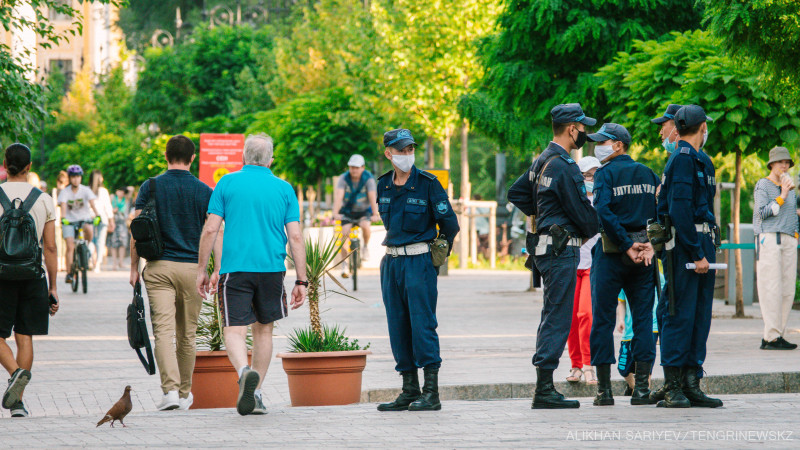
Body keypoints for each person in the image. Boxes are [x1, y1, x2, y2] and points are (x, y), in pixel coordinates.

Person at [196, 133, 307, 416]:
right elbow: (295, 237)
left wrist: (202, 270)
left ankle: (244, 372)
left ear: (243, 157)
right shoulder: (284, 188)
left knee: (234, 329)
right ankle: (255, 394)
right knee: (264, 330)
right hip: (272, 270)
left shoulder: (226, 183)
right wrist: (301, 280)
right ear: (271, 160)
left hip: (235, 270)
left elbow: (211, 229)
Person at [507, 103, 599, 409]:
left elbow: (516, 193)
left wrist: (544, 214)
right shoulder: (565, 165)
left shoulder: (542, 160)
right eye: (582, 128)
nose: (584, 133)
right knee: (558, 317)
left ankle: (544, 386)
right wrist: (589, 225)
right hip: (561, 250)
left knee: (552, 314)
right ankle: (544, 390)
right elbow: (583, 214)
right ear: (572, 129)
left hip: (546, 249)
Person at [375, 128, 459, 412]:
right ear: (388, 153)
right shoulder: (383, 185)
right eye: (401, 150)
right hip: (391, 263)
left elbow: (450, 224)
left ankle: (431, 393)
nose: (407, 155)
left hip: (418, 261)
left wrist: (438, 253)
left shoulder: (428, 183)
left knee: (422, 324)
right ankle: (409, 389)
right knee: (397, 325)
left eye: (410, 149)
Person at [130, 135, 215, 411]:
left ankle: (170, 393)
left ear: (166, 156)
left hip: (158, 268)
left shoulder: (150, 186)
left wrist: (133, 268)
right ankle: (185, 392)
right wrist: (214, 269)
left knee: (164, 332)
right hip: (193, 270)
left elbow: (137, 229)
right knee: (187, 334)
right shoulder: (204, 191)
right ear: (193, 158)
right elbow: (213, 231)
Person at [585, 123, 659, 407]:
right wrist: (647, 243)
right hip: (644, 255)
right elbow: (660, 210)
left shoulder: (605, 174)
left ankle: (604, 392)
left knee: (602, 320)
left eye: (602, 142)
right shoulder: (648, 173)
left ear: (618, 145)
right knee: (643, 321)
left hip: (612, 254)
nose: (597, 147)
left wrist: (626, 244)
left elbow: (603, 211)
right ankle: (642, 389)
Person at [657, 105, 722, 408]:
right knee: (679, 314)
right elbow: (679, 210)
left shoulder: (702, 160)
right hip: (686, 246)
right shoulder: (682, 159)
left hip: (702, 243)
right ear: (702, 127)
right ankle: (673, 386)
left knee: (699, 316)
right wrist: (696, 252)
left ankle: (691, 382)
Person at [0, 144, 59, 418]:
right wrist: (53, 287)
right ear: (29, 167)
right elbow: (50, 247)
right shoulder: (44, 199)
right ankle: (18, 403)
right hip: (32, 275)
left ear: (5, 164)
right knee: (24, 336)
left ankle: (15, 374)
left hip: (1, 275)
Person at [753, 146, 798, 350]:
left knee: (787, 290)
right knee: (771, 288)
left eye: (787, 162)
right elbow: (762, 213)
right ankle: (770, 337)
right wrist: (783, 194)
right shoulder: (763, 184)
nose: (784, 166)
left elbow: (792, 214)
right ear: (772, 164)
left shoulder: (790, 187)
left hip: (789, 239)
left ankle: (777, 334)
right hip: (769, 238)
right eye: (781, 162)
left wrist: (796, 234)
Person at [566, 156, 602, 385]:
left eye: (594, 175)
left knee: (586, 315)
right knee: (570, 317)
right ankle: (576, 365)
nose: (590, 180)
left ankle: (589, 365)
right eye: (586, 175)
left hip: (593, 265)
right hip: (571, 264)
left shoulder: (603, 199)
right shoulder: (573, 200)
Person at [332, 154, 379, 277]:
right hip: (347, 211)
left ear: (363, 167)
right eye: (352, 167)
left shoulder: (368, 178)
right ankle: (344, 264)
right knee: (344, 234)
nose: (354, 170)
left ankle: (365, 247)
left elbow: (372, 196)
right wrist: (335, 213)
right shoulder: (343, 178)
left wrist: (375, 214)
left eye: (357, 167)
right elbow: (338, 196)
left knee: (365, 226)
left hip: (363, 211)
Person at [616, 273, 664, 395]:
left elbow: (664, 300)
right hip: (629, 331)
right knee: (623, 368)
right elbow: (621, 302)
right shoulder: (624, 274)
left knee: (646, 365)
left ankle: (643, 392)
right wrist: (621, 320)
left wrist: (661, 327)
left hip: (651, 328)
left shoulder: (659, 276)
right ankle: (634, 387)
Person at [57, 165, 102, 283]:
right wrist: (63, 218)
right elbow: (63, 206)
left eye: (78, 176)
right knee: (70, 246)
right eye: (73, 177)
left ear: (81, 177)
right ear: (69, 178)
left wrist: (97, 215)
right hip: (69, 221)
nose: (76, 179)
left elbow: (92, 204)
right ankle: (69, 274)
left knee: (89, 229)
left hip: (83, 219)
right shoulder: (65, 192)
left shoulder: (85, 190)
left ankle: (85, 248)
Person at [89, 170, 115, 272]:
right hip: (102, 218)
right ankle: (98, 264)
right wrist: (111, 221)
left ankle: (91, 260)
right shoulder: (103, 191)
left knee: (91, 240)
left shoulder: (87, 190)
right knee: (100, 241)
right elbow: (108, 207)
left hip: (90, 218)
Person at [109, 188, 130, 270]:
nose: (121, 193)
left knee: (123, 243)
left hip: (123, 223)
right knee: (113, 243)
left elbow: (131, 189)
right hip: (114, 222)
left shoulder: (126, 200)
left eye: (122, 192)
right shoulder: (112, 199)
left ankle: (121, 262)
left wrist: (126, 190)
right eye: (119, 191)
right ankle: (114, 263)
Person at [53, 170, 68, 272]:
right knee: (58, 241)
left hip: (66, 220)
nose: (61, 185)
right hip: (57, 219)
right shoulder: (55, 191)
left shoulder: (67, 192)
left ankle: (64, 262)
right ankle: (59, 263)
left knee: (65, 242)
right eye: (60, 182)